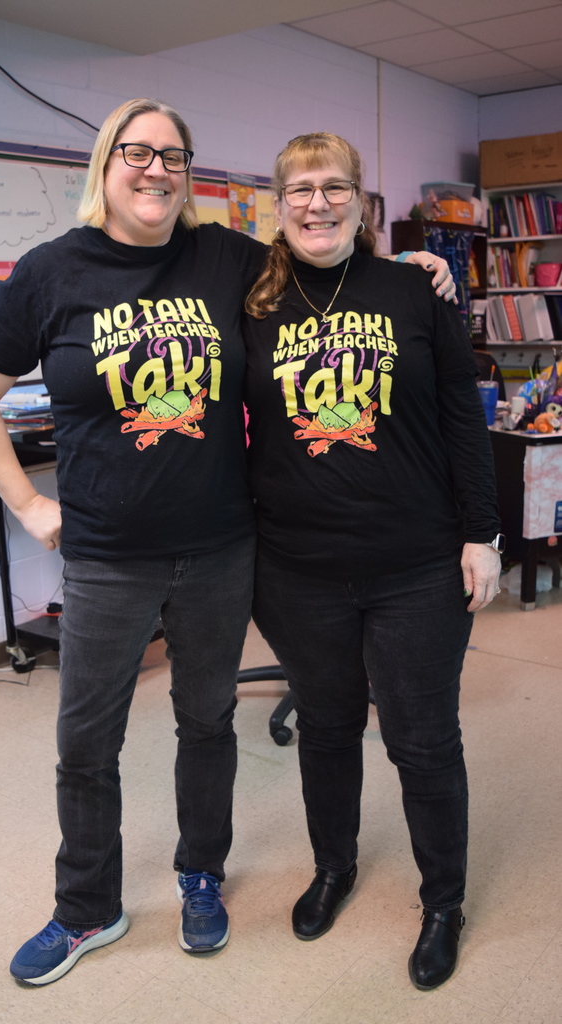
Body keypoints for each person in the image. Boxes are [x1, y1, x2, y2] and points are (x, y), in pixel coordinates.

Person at [0, 99, 455, 987]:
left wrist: (410, 267)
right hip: (106, 556)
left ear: (187, 173)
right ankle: (85, 909)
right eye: (136, 153)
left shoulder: (224, 257)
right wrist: (29, 507)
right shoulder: (49, 272)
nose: (154, 170)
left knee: (207, 723)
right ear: (105, 165)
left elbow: (323, 253)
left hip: (223, 548)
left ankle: (200, 877)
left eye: (172, 156)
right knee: (85, 741)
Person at [243, 132, 502, 991]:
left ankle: (443, 903)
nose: (316, 204)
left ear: (363, 201)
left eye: (334, 187)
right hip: (297, 568)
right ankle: (333, 866)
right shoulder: (250, 300)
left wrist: (483, 533)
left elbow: (464, 420)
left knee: (423, 743)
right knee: (325, 729)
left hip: (416, 565)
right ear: (276, 206)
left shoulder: (413, 288)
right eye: (298, 190)